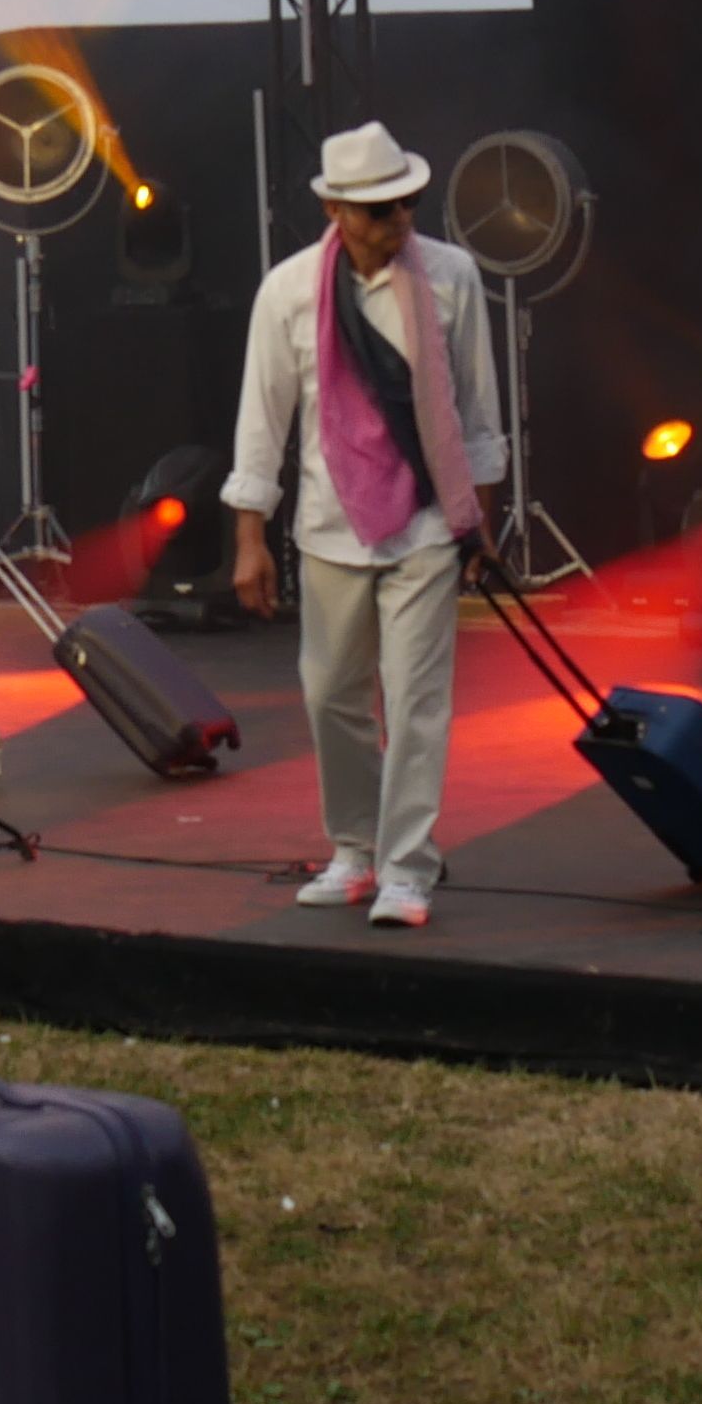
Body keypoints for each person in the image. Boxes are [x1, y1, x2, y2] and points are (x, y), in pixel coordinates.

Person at [224, 120, 508, 931]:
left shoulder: (452, 278)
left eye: (406, 204)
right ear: (337, 209)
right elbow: (262, 418)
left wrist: (477, 526)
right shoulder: (285, 291)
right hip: (329, 522)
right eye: (381, 210)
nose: (399, 222)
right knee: (329, 694)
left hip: (424, 524)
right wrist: (250, 536)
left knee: (416, 698)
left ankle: (408, 866)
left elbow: (478, 412)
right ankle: (355, 849)